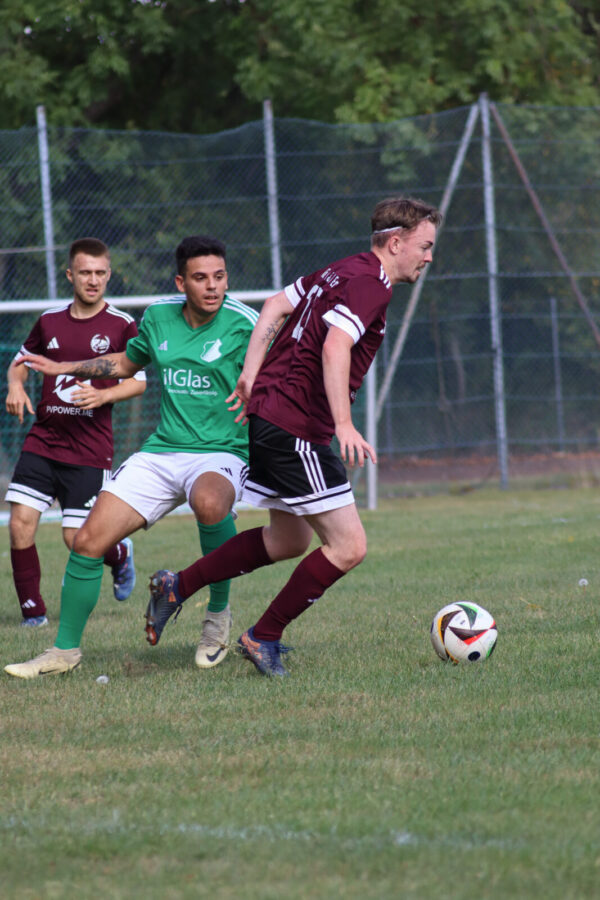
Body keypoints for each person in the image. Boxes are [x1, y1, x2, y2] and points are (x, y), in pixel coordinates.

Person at [142, 196, 442, 676]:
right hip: (295, 427)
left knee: (287, 540)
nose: (428, 257)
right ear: (394, 242)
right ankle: (263, 635)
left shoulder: (341, 270)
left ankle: (177, 585)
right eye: (424, 246)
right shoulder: (372, 284)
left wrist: (251, 373)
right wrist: (343, 423)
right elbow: (336, 347)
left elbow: (275, 306)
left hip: (270, 416)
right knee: (349, 546)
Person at [4, 235, 259, 679]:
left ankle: (217, 617)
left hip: (221, 451)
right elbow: (125, 364)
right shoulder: (158, 316)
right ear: (181, 282)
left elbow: (285, 368)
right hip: (162, 451)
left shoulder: (245, 322)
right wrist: (64, 367)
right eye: (201, 278)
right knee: (87, 541)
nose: (212, 286)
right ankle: (63, 651)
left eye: (219, 277)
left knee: (209, 502)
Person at [4, 237, 146, 628]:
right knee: (19, 523)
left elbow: (139, 382)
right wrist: (15, 385)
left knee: (75, 538)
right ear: (70, 275)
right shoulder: (49, 321)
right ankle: (33, 614)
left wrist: (104, 396)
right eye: (85, 272)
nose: (93, 280)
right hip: (44, 439)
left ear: (109, 274)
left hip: (89, 448)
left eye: (100, 273)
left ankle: (120, 554)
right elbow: (21, 362)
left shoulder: (121, 324)